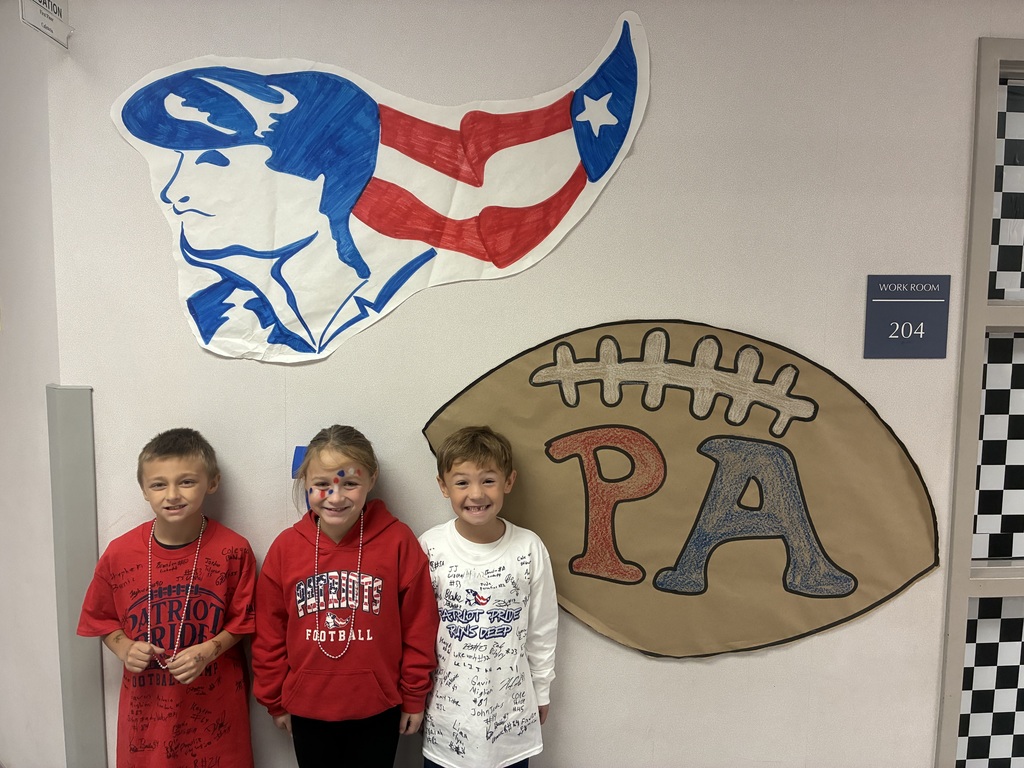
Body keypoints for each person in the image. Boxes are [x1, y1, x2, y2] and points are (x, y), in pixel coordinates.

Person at [252, 424, 440, 768]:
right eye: (322, 485)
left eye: (349, 483)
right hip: (307, 707)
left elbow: (420, 625)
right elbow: (269, 632)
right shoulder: (286, 549)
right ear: (305, 483)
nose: (336, 497)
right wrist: (274, 698)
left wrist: (414, 695)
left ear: (371, 479)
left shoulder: (397, 542)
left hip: (379, 707)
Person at [77, 428, 257, 768]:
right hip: (146, 720)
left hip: (216, 719)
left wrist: (208, 650)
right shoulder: (120, 553)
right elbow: (101, 620)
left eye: (187, 481)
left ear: (212, 482)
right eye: (159, 484)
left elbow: (244, 622)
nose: (172, 494)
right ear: (144, 490)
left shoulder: (234, 550)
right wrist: (124, 647)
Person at [419, 426, 558, 768]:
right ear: (443, 486)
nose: (476, 494)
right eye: (462, 482)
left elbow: (542, 630)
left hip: (510, 717)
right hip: (446, 719)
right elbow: (415, 632)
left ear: (509, 482)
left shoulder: (529, 547)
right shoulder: (429, 547)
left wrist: (542, 691)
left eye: (488, 480)